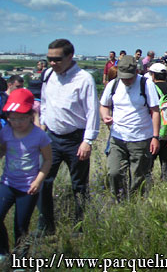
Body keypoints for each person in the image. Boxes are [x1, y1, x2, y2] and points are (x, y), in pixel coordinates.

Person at [38, 39, 99, 235]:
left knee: (79, 186)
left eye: (57, 59)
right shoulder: (48, 75)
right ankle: (46, 226)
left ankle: (79, 228)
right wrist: (42, 123)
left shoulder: (84, 79)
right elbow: (45, 101)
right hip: (51, 138)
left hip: (76, 139)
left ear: (70, 56)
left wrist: (87, 141)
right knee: (43, 181)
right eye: (49, 59)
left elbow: (92, 112)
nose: (52, 63)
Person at [99, 55, 160, 199]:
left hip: (140, 139)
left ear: (136, 72)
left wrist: (155, 137)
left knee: (138, 177)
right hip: (117, 138)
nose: (126, 80)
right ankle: (119, 201)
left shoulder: (146, 84)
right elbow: (104, 105)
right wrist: (105, 116)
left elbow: (155, 111)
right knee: (114, 172)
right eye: (123, 77)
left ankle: (134, 204)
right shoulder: (113, 85)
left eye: (129, 77)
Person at [0, 89, 52, 258]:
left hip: (28, 187)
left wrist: (38, 181)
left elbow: (47, 160)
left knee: (20, 225)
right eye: (12, 118)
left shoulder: (40, 136)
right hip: (7, 183)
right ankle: (3, 252)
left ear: (31, 115)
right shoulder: (5, 132)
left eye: (21, 118)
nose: (16, 122)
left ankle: (20, 259)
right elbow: (1, 151)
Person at [148, 62, 167, 181]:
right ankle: (166, 183)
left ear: (153, 75)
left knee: (149, 162)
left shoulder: (151, 88)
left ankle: (148, 184)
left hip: (155, 130)